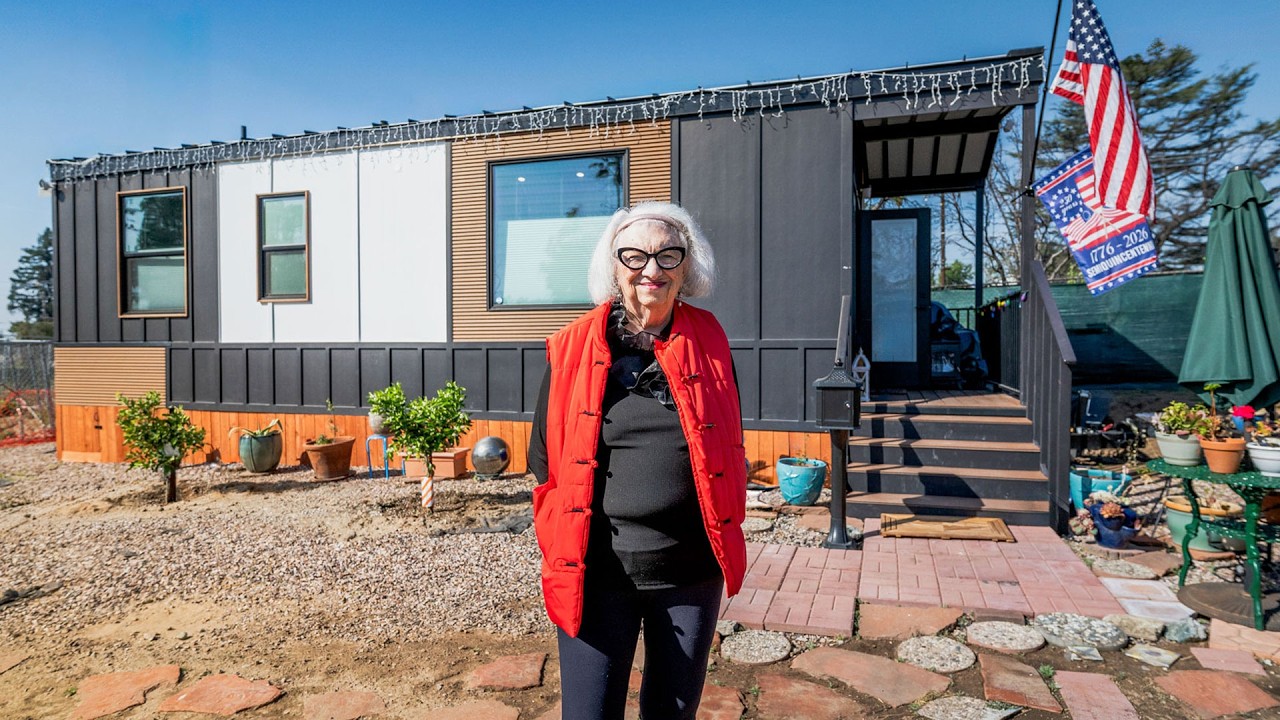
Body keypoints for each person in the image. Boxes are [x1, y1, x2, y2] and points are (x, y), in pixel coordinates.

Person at [528, 201, 747, 720]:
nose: (652, 269)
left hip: (690, 572)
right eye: (635, 256)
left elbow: (727, 439)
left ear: (687, 267)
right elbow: (544, 459)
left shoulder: (710, 340)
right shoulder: (572, 347)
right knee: (589, 713)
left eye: (669, 255)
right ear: (613, 266)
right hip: (598, 571)